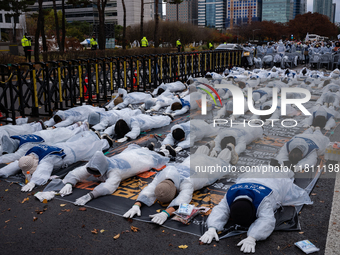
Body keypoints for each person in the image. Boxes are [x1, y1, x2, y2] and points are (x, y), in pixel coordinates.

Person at [199, 168, 312, 253]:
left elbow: (267, 220)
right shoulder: (230, 195)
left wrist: (253, 237)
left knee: (287, 173)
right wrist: (212, 228)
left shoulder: (264, 200)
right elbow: (221, 210)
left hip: (276, 178)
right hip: (254, 175)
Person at [123, 144, 237, 224]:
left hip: (204, 169)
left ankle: (227, 148)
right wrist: (136, 205)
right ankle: (208, 146)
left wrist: (165, 213)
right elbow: (150, 189)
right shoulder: (163, 176)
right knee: (197, 156)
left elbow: (183, 199)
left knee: (221, 163)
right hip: (193, 162)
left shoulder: (187, 182)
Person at [49, 144, 170, 205]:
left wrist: (90, 195)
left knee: (150, 159)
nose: (94, 176)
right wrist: (70, 182)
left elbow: (109, 186)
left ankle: (162, 151)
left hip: (135, 162)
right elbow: (78, 172)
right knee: (138, 152)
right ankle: (146, 149)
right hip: (126, 157)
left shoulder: (114, 171)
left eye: (96, 174)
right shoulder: (96, 164)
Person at [0, 131, 107, 192]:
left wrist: (33, 182)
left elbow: (43, 171)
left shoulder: (47, 159)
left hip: (72, 153)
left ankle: (105, 141)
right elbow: (19, 163)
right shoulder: (30, 154)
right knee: (82, 143)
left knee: (90, 148)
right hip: (63, 146)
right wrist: (2, 172)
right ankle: (96, 137)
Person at [0, 122, 89, 163]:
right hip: (45, 133)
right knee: (63, 130)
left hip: (51, 139)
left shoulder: (25, 146)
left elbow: (14, 156)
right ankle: (76, 125)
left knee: (69, 135)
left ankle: (82, 128)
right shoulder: (16, 138)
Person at [100, 114, 173, 143]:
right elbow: (111, 128)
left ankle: (168, 116)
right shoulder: (120, 122)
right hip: (139, 116)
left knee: (158, 121)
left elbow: (136, 131)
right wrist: (105, 134)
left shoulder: (134, 122)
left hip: (144, 121)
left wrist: (126, 137)